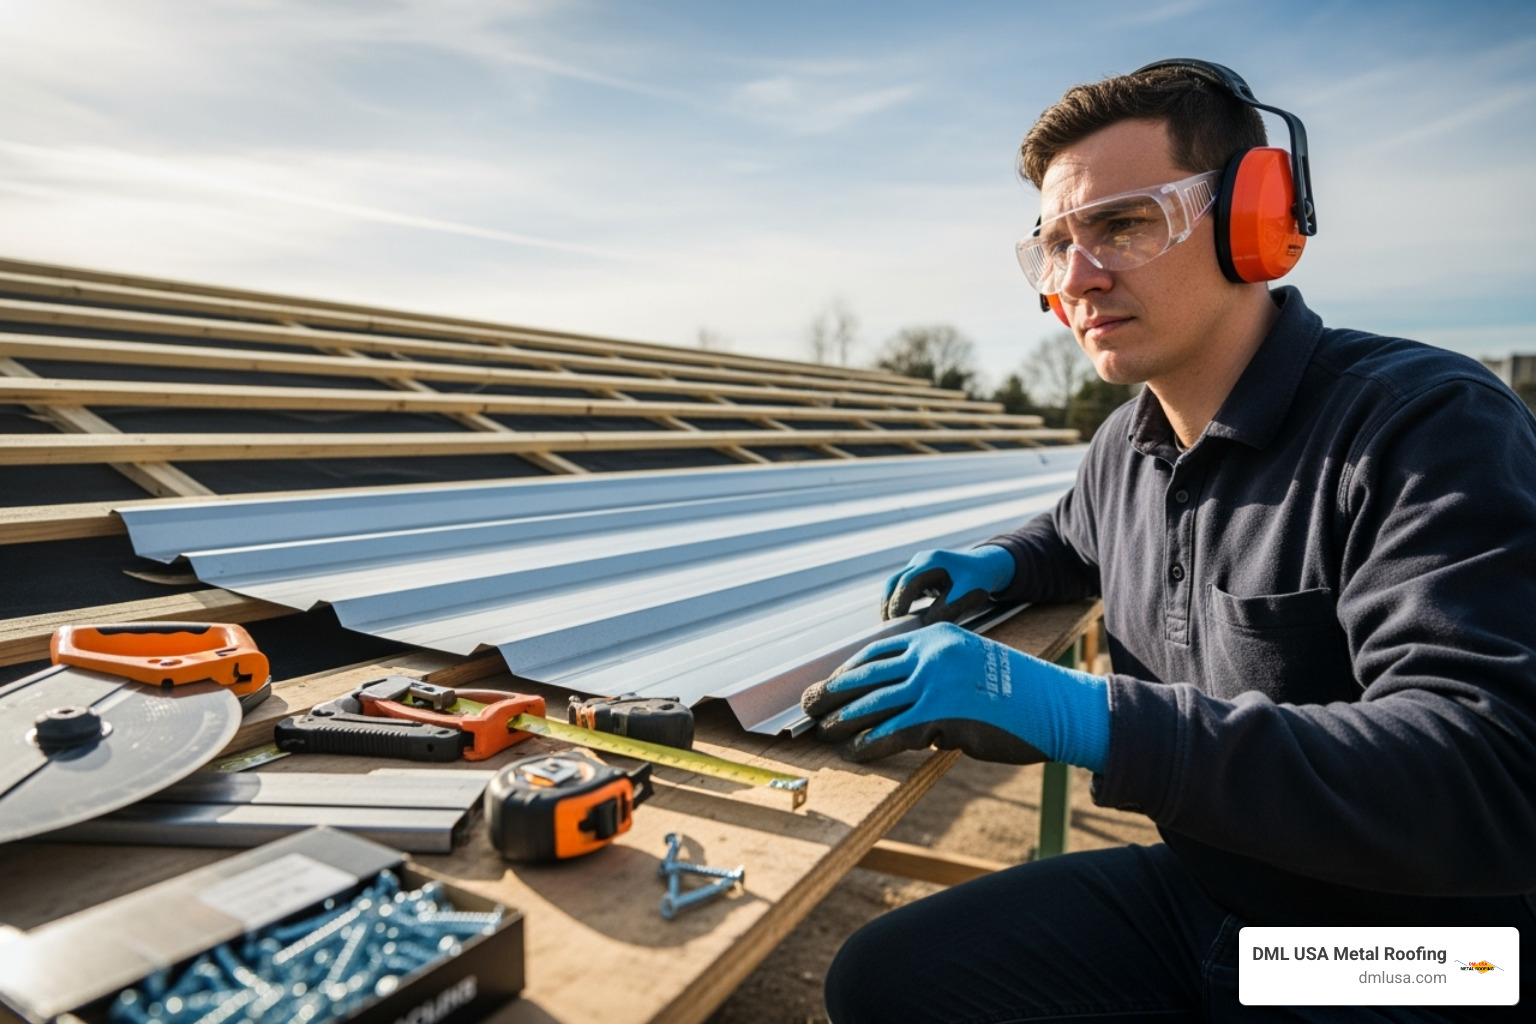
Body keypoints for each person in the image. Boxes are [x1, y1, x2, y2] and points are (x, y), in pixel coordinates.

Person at [802, 59, 1536, 1023]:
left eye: (1124, 224)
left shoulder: (1423, 425)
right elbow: (1078, 537)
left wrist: (1090, 717)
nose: (1077, 278)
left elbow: (1490, 768)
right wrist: (1003, 561)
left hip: (1429, 955)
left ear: (1253, 223)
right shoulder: (1129, 443)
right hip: (1220, 895)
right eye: (1056, 243)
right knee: (890, 977)